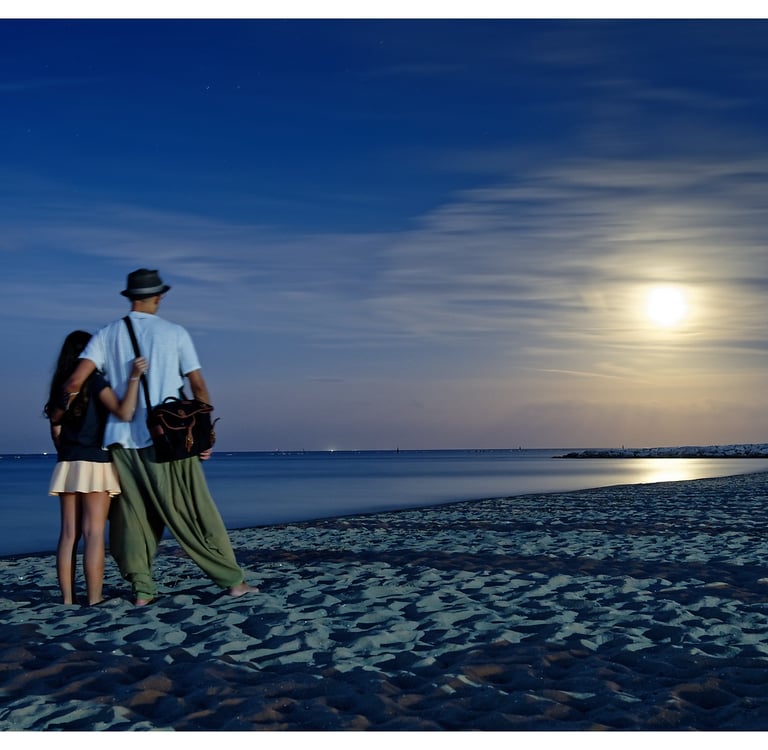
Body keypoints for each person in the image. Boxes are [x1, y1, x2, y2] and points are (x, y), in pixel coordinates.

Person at [62, 269, 255, 606]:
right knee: (193, 512)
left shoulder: (106, 334)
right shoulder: (174, 333)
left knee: (133, 518)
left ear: (130, 297)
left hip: (120, 441)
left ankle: (142, 591)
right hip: (167, 438)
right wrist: (204, 437)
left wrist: (69, 422)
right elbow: (198, 386)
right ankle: (233, 582)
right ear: (159, 297)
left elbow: (75, 383)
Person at [44, 330, 147, 605]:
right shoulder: (97, 381)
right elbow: (124, 412)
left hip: (68, 461)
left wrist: (67, 449)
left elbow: (55, 426)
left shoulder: (62, 384)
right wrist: (134, 377)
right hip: (97, 460)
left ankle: (67, 599)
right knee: (94, 533)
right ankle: (94, 598)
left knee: (68, 534)